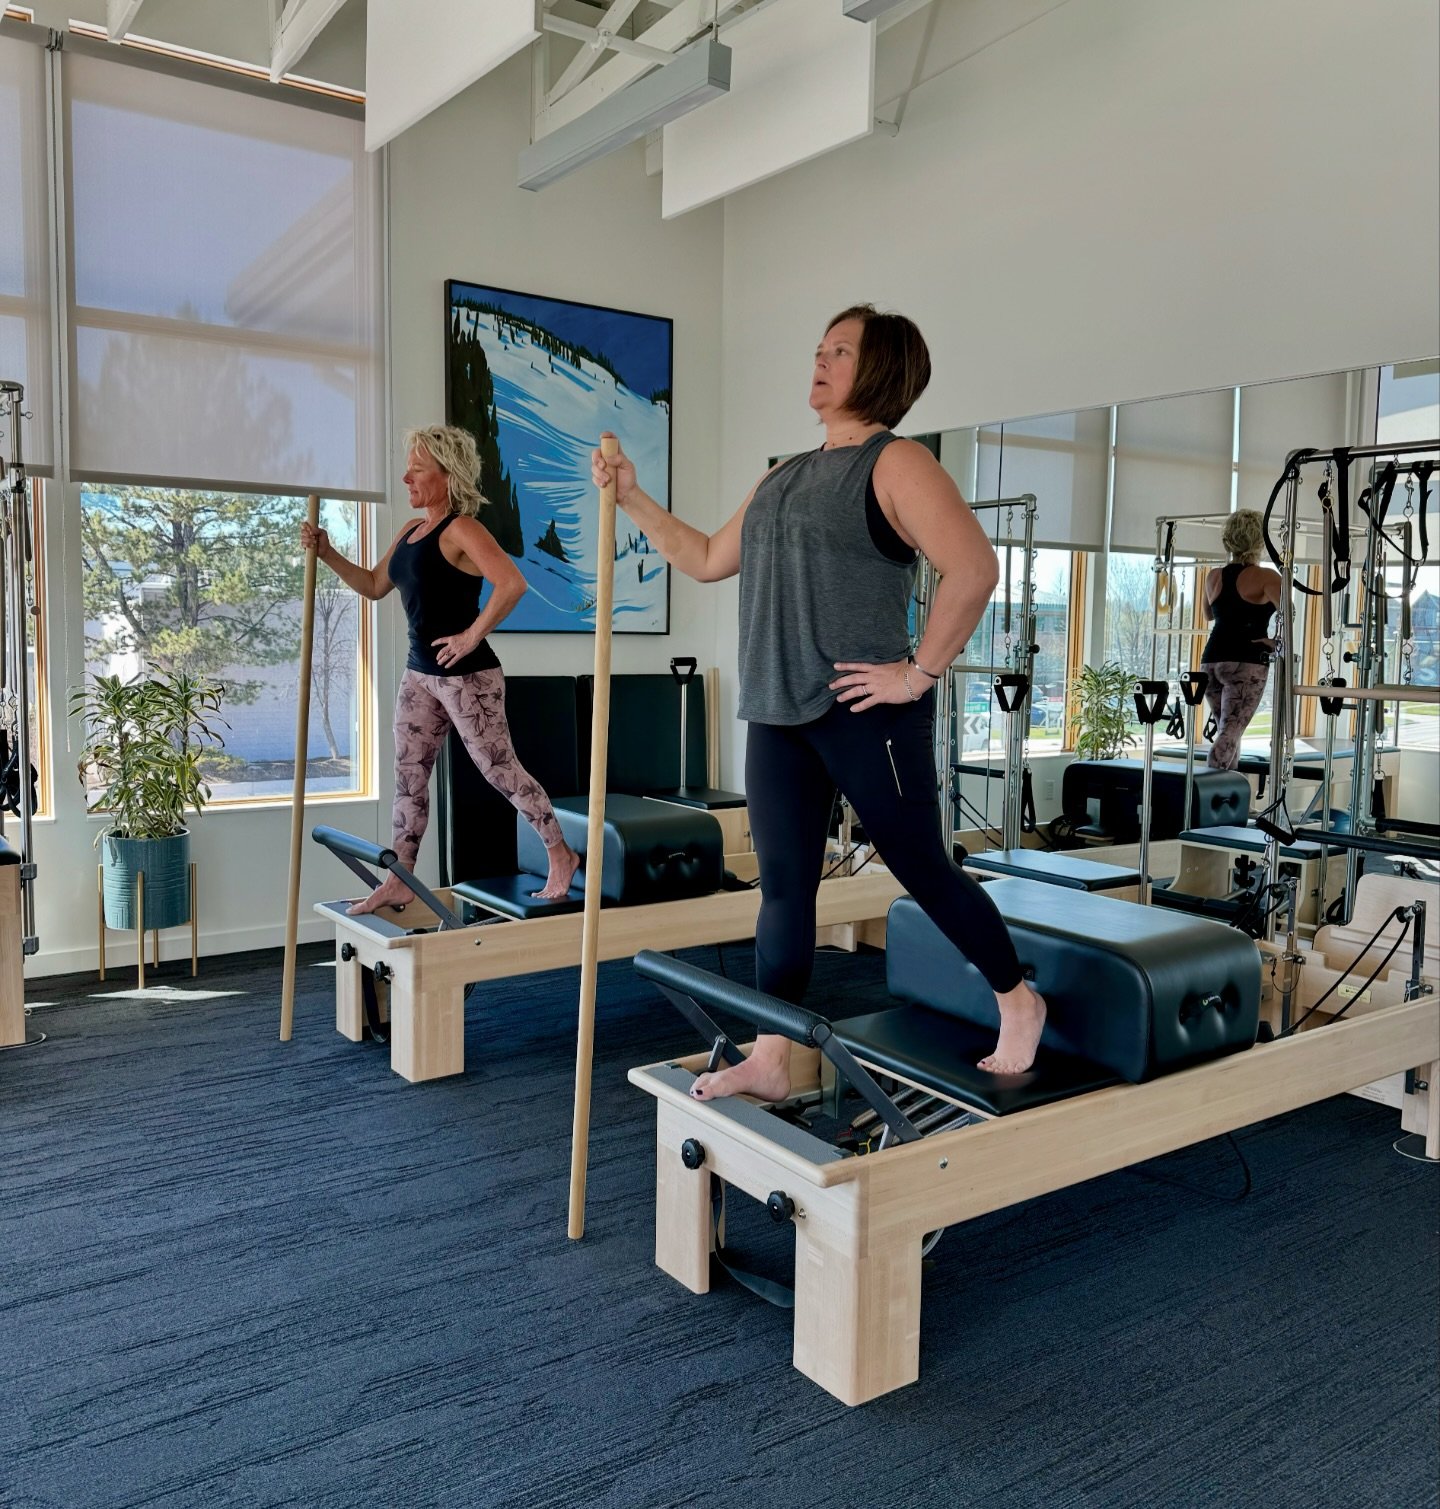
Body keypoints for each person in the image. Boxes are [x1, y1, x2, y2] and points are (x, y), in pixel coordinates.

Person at [591, 304, 1046, 1096]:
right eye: (819, 348)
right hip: (777, 709)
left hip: (864, 708)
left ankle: (1017, 996)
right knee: (784, 887)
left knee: (923, 868)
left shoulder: (895, 462)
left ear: (879, 370)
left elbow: (973, 568)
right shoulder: (783, 474)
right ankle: (771, 1052)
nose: (821, 360)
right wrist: (631, 496)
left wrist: (917, 673)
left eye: (840, 350)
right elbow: (701, 557)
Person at [301, 425, 579, 914]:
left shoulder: (463, 529)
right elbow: (371, 584)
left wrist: (472, 635)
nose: (406, 476)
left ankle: (560, 853)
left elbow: (511, 584)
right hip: (420, 675)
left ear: (447, 476)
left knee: (499, 770)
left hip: (468, 677)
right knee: (409, 777)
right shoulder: (410, 532)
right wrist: (326, 553)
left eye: (418, 468)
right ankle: (400, 879)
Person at [1198, 509, 1284, 772]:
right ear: (1261, 540)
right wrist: (1274, 641)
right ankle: (1204, 801)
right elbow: (1288, 616)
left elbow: (1208, 615)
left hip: (1211, 661)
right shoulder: (1268, 577)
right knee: (1229, 734)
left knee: (1229, 732)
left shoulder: (1213, 575)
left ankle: (1229, 804)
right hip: (1245, 663)